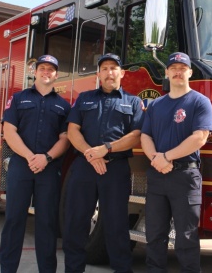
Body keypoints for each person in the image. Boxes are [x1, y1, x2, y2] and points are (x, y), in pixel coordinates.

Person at [63, 53, 144, 273]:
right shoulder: (84, 98)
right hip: (84, 167)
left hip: (115, 170)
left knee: (116, 227)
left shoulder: (134, 102)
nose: (109, 72)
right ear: (98, 74)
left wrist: (106, 149)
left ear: (122, 73)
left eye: (114, 68)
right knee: (76, 224)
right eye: (105, 68)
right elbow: (73, 130)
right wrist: (91, 154)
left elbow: (136, 135)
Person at [141, 52, 212, 272]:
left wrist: (166, 157)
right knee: (154, 235)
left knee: (186, 237)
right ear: (166, 72)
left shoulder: (200, 102)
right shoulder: (156, 105)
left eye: (182, 68)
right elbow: (146, 136)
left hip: (185, 178)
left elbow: (200, 137)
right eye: (173, 68)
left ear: (190, 72)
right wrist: (156, 159)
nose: (177, 71)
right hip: (157, 175)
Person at [0, 54, 71, 273]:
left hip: (49, 169)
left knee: (47, 223)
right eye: (42, 68)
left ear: (56, 75)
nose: (46, 72)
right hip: (21, 166)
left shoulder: (63, 105)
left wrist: (46, 158)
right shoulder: (18, 98)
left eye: (51, 69)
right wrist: (30, 156)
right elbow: (9, 131)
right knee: (14, 220)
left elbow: (65, 138)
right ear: (35, 71)